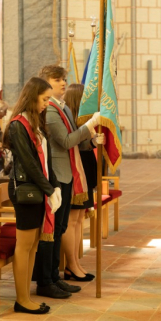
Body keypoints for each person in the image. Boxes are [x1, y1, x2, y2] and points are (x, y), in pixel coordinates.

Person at [33, 65, 102, 299]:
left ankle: (55, 277)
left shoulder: (63, 108)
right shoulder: (50, 110)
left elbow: (78, 142)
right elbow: (64, 141)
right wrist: (89, 126)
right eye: (57, 79)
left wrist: (92, 140)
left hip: (69, 174)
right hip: (56, 175)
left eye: (64, 79)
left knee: (60, 228)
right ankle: (47, 280)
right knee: (53, 230)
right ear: (45, 83)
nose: (63, 83)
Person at [3, 77, 61, 314]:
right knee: (25, 246)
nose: (47, 103)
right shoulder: (18, 125)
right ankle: (22, 299)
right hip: (26, 191)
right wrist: (49, 190)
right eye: (45, 98)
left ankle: (26, 296)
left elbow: (47, 160)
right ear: (32, 95)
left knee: (33, 246)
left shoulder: (35, 123)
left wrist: (55, 186)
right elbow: (29, 163)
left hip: (38, 189)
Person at [63, 83, 104, 281]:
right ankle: (70, 265)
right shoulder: (71, 121)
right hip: (75, 171)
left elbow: (85, 143)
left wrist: (95, 140)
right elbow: (73, 143)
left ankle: (76, 262)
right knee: (71, 220)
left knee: (79, 219)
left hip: (86, 168)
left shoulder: (81, 120)